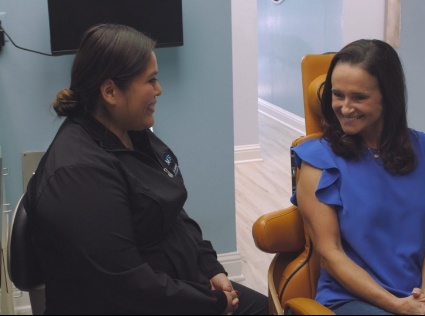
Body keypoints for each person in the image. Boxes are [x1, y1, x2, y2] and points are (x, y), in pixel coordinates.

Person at [23, 23, 268, 315]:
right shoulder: (78, 173)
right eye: (150, 81)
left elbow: (172, 210)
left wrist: (210, 267)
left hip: (179, 288)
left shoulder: (133, 133)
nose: (159, 90)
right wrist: (212, 304)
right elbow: (125, 286)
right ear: (111, 91)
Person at [292, 39, 425, 315]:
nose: (345, 107)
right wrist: (398, 306)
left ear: (387, 97)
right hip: (355, 299)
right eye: (337, 94)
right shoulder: (318, 162)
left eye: (359, 97)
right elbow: (330, 254)